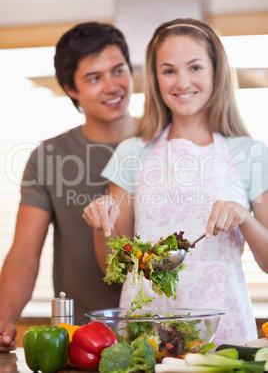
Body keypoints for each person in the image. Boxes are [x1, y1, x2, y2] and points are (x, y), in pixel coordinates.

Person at [83, 18, 268, 346]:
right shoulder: (132, 153)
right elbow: (115, 265)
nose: (182, 82)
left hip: (224, 335)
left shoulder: (250, 153)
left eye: (195, 67)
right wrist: (103, 222)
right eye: (169, 70)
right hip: (145, 335)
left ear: (216, 72)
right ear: (155, 79)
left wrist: (245, 218)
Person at [0, 21, 139, 352]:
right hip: (83, 341)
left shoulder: (166, 146)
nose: (112, 86)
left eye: (118, 70)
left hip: (162, 333)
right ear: (70, 88)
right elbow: (24, 254)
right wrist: (4, 319)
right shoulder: (49, 157)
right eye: (94, 78)